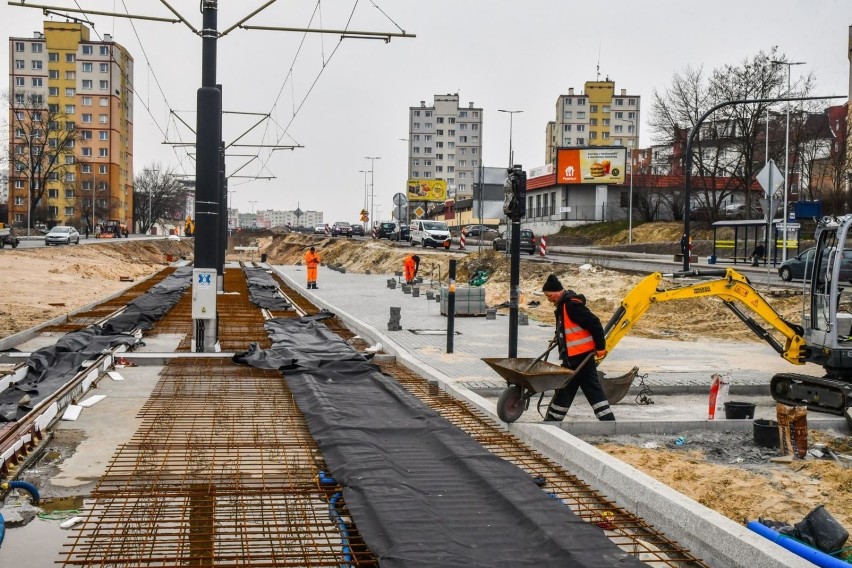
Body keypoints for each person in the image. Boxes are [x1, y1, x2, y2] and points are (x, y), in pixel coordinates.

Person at [542, 274, 614, 422]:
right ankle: (552, 419)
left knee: (591, 389)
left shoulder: (571, 305)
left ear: (557, 291)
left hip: (582, 357)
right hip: (572, 358)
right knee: (566, 387)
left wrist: (600, 347)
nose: (549, 300)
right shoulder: (562, 306)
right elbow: (567, 327)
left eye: (549, 296)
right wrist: (559, 336)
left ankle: (608, 421)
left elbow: (595, 323)